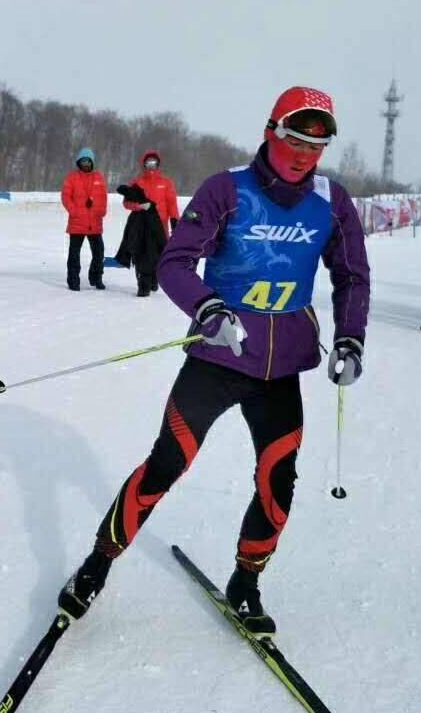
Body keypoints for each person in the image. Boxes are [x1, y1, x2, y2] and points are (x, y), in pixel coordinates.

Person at [57, 86, 370, 637]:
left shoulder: (331, 200)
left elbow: (351, 275)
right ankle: (97, 565)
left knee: (279, 483)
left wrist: (350, 338)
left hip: (281, 370)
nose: (303, 154)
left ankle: (245, 584)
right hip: (219, 357)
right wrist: (207, 309)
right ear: (271, 131)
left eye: (316, 145)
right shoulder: (228, 189)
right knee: (165, 466)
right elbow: (177, 261)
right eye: (294, 138)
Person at [119, 150, 181, 296]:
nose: (151, 166)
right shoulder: (137, 182)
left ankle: (154, 278)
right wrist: (138, 206)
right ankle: (143, 284)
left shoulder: (166, 183)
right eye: (148, 163)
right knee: (141, 254)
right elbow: (126, 202)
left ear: (158, 164)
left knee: (158, 255)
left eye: (154, 163)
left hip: (160, 226)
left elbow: (172, 203)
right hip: (141, 226)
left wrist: (175, 221)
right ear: (144, 164)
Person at [61, 147, 108, 290]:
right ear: (79, 162)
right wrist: (74, 211)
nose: (86, 164)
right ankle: (73, 281)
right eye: (83, 161)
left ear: (92, 162)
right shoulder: (71, 178)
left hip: (95, 222)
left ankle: (96, 278)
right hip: (77, 222)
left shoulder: (99, 178)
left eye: (88, 161)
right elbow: (65, 197)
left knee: (99, 252)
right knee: (74, 254)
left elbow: (103, 197)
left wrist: (102, 211)